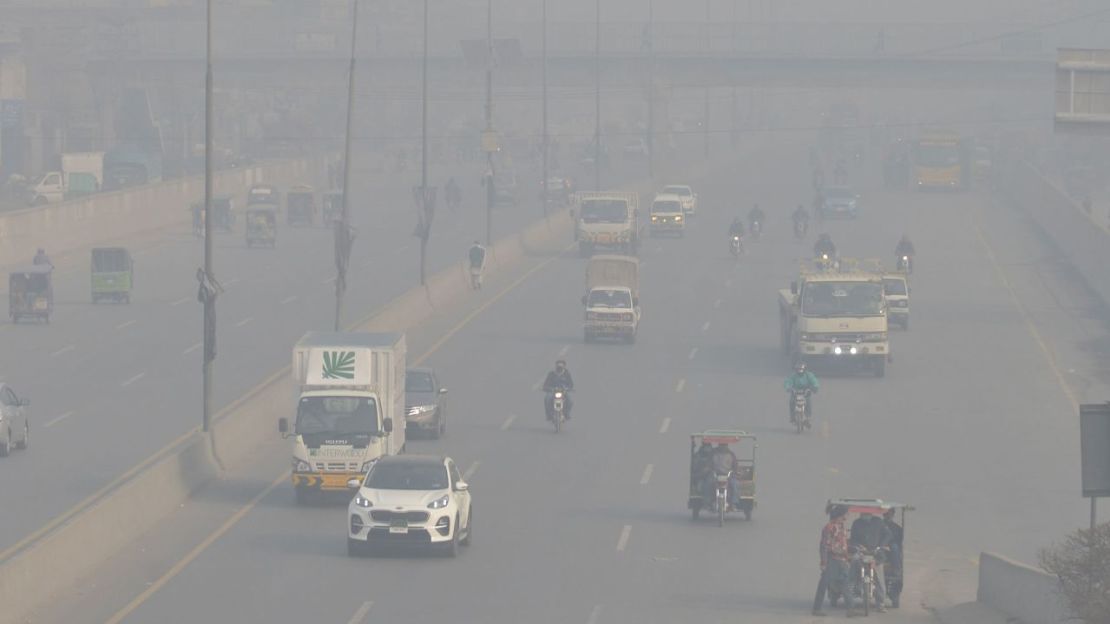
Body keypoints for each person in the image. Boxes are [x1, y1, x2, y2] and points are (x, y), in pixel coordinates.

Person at [849, 513, 892, 614]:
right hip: (861, 552)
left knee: (880, 580)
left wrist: (881, 545)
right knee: (852, 570)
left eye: (867, 514)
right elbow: (853, 539)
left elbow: (888, 534)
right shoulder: (856, 523)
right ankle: (850, 598)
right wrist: (857, 546)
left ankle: (881, 604)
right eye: (863, 514)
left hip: (876, 552)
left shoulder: (878, 522)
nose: (864, 515)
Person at [814, 504, 853, 616]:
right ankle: (816, 609)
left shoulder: (841, 526)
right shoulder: (829, 527)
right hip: (832, 560)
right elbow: (824, 546)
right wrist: (824, 562)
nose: (848, 515)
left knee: (845, 584)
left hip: (842, 560)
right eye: (847, 513)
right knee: (824, 584)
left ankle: (850, 609)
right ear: (841, 514)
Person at [703, 442, 741, 507]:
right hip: (715, 475)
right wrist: (707, 469)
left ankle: (734, 502)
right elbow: (708, 464)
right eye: (722, 445)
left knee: (735, 484)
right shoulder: (713, 453)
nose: (723, 446)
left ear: (727, 445)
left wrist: (737, 471)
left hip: (728, 476)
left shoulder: (731, 454)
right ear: (719, 445)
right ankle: (707, 502)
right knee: (707, 483)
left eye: (724, 445)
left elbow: (735, 466)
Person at [883, 508, 905, 608]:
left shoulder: (897, 529)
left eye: (890, 513)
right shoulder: (878, 525)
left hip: (891, 554)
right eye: (886, 513)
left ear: (892, 514)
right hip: (879, 550)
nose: (888, 515)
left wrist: (890, 546)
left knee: (895, 548)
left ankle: (896, 570)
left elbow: (899, 544)